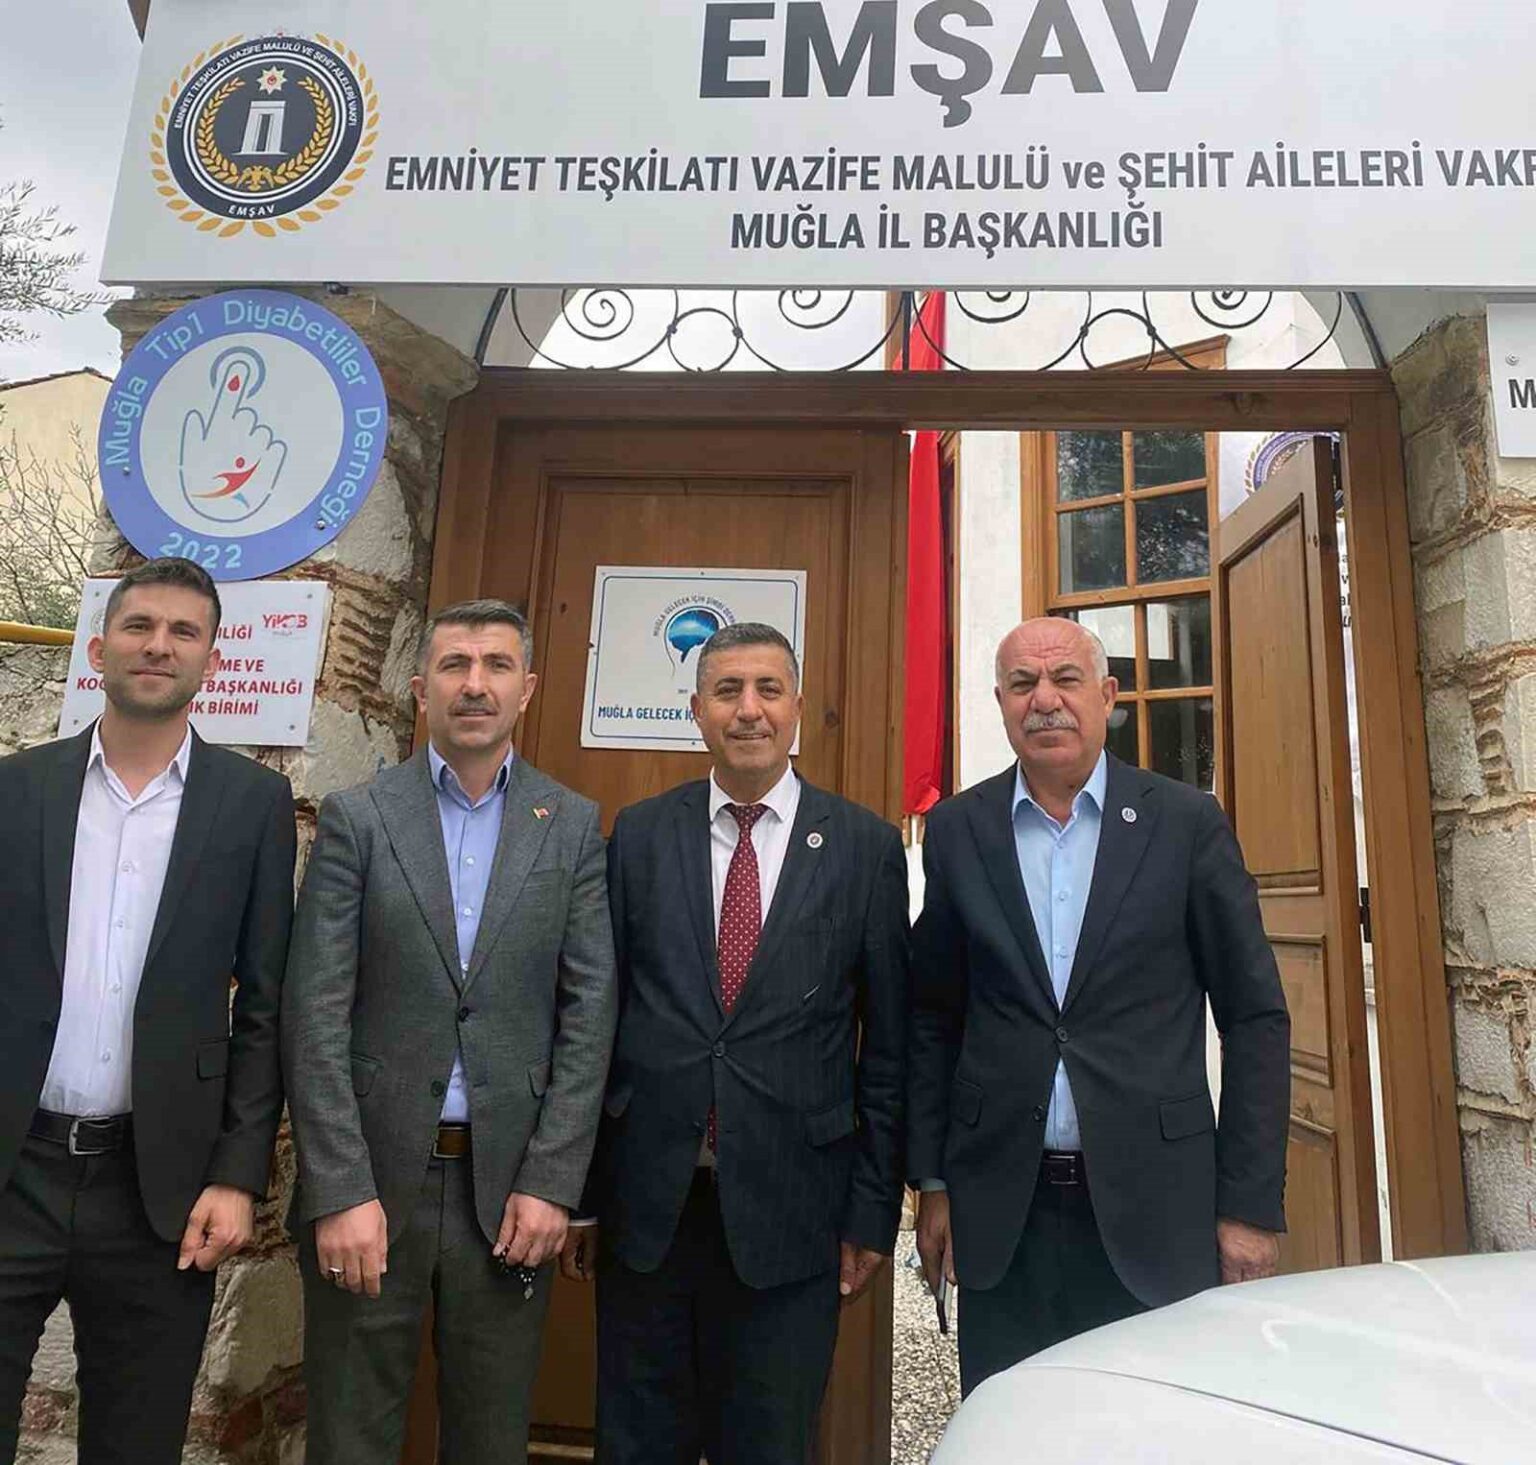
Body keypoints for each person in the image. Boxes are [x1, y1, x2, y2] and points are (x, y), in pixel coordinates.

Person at [910, 616, 1291, 1396]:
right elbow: (932, 1017)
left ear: (1108, 695)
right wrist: (933, 1181)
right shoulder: (957, 830)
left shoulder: (1185, 824)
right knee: (1011, 1427)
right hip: (1001, 1211)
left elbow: (1254, 1017)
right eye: (1023, 684)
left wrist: (1249, 1205)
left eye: (1066, 679)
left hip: (1157, 1208)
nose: (1044, 699)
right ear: (1000, 701)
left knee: (1147, 1430)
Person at [282, 597, 616, 1465]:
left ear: (527, 687)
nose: (475, 684)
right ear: (420, 687)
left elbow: (589, 1015)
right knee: (349, 1440)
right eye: (455, 664)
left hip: (507, 1196)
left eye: (496, 665)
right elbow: (314, 1012)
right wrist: (339, 1188)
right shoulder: (359, 817)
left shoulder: (570, 825)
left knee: (490, 1441)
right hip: (370, 1190)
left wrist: (552, 1181)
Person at [567, 621, 908, 1465]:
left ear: (798, 707)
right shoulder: (639, 835)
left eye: (767, 689)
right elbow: (597, 1018)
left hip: (796, 1212)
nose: (748, 709)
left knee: (769, 1443)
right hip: (649, 1210)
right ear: (697, 711)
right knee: (636, 1442)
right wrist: (582, 1192)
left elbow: (890, 1046)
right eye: (727, 691)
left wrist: (872, 1209)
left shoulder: (863, 845)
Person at [0, 557, 295, 1465]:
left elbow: (267, 1004)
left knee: (137, 1443)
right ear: (99, 649)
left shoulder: (252, 803)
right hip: (13, 1166)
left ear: (211, 659)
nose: (159, 645)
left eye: (183, 631)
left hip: (158, 1188)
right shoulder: (17, 788)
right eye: (139, 625)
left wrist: (237, 1174)